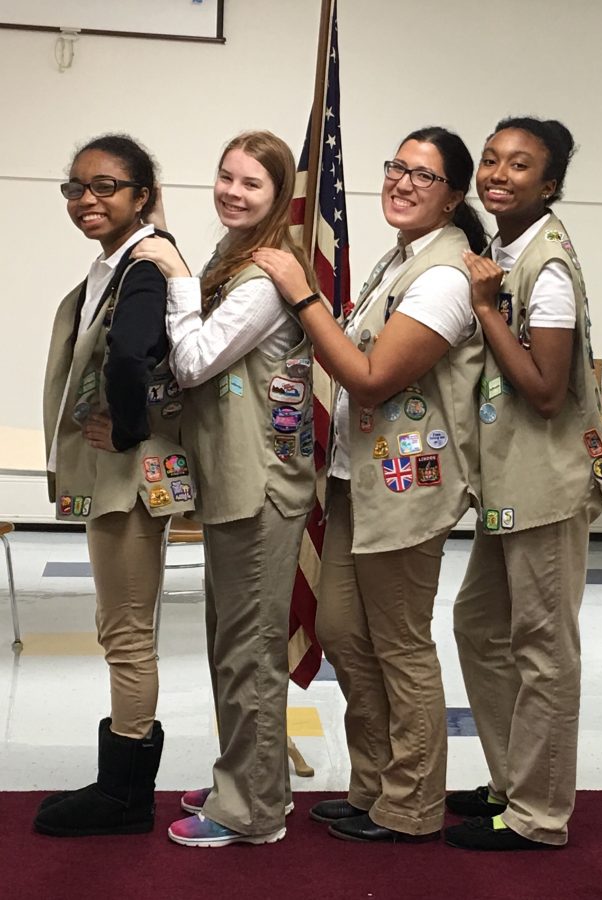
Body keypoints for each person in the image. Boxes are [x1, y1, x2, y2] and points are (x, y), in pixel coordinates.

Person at [254, 126, 486, 843]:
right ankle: (374, 783)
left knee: (399, 643)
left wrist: (301, 296)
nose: (402, 182)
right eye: (396, 167)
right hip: (359, 479)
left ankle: (412, 804)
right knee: (341, 630)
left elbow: (374, 377)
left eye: (424, 175)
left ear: (452, 198)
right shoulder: (400, 259)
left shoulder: (444, 275)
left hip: (408, 488)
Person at [131, 130, 317, 848]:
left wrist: (177, 277)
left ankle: (252, 811)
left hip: (261, 486)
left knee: (249, 649)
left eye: (252, 184)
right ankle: (253, 778)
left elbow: (197, 361)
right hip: (234, 480)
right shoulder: (231, 259)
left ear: (277, 199)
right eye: (226, 177)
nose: (232, 192)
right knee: (233, 643)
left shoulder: (267, 275)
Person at [443, 117, 602, 851]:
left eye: (520, 166)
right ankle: (510, 780)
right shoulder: (502, 249)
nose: (498, 174)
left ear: (549, 186)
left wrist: (486, 312)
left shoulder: (542, 265)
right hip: (510, 480)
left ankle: (539, 814)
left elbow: (547, 390)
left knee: (544, 648)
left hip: (549, 481)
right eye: (491, 159)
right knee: (480, 626)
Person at [35, 135, 194, 837]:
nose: (87, 200)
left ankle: (125, 795)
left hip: (131, 481)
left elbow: (133, 355)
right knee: (120, 628)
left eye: (105, 187)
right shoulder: (117, 264)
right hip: (117, 477)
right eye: (75, 187)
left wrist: (128, 429)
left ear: (143, 196)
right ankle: (120, 781)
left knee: (127, 633)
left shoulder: (144, 267)